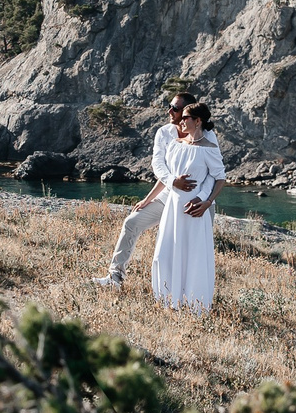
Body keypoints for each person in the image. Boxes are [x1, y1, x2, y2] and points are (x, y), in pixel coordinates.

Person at [90, 91, 220, 289]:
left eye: (176, 109)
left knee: (198, 247)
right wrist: (166, 186)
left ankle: (196, 292)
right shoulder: (164, 133)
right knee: (132, 223)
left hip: (198, 201)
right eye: (170, 106)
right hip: (167, 195)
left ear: (191, 113)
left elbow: (214, 174)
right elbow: (158, 164)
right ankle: (115, 277)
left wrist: (204, 200)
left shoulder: (208, 137)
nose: (170, 111)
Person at [150, 104, 224, 311]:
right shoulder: (174, 144)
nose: (181, 121)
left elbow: (219, 178)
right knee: (164, 253)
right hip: (173, 205)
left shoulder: (209, 148)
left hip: (194, 209)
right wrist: (168, 185)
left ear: (198, 121)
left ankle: (194, 304)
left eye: (186, 118)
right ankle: (166, 299)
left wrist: (206, 202)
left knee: (192, 255)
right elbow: (163, 172)